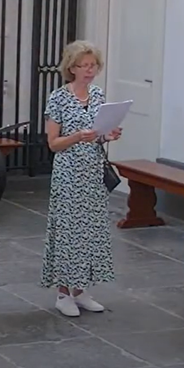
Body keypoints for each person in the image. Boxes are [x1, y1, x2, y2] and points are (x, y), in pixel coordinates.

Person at [39, 40, 121, 317]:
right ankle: (63, 292)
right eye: (83, 66)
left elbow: (98, 133)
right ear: (71, 68)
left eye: (93, 65)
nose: (89, 70)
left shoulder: (98, 95)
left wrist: (107, 135)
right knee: (68, 231)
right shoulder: (58, 98)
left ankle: (81, 289)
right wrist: (77, 136)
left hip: (93, 170)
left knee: (91, 230)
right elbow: (53, 143)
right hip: (69, 172)